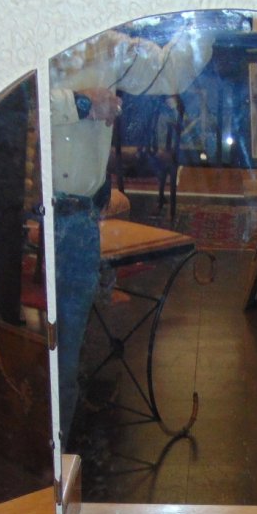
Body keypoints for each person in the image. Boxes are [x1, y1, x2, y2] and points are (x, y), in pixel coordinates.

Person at [50, 28, 213, 438]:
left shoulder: (107, 43)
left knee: (67, 356)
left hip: (79, 219)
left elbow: (169, 72)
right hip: (37, 219)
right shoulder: (39, 21)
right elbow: (14, 100)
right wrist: (82, 103)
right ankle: (45, 477)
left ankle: (55, 464)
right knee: (57, 359)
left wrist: (205, 18)